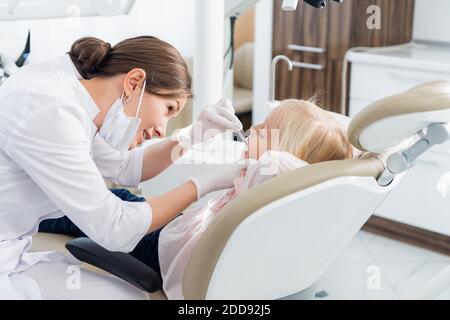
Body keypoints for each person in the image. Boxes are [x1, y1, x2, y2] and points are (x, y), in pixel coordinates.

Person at [0, 36, 245, 299]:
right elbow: (113, 228)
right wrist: (202, 185)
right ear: (134, 82)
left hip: (12, 255)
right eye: (168, 109)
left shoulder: (77, 98)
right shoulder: (51, 109)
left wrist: (195, 135)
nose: (162, 129)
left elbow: (127, 167)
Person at [40, 99, 353, 299]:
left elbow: (286, 168)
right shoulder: (283, 199)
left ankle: (38, 211)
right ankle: (44, 201)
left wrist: (266, 156)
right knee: (119, 196)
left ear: (282, 153)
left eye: (263, 131)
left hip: (161, 252)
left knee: (93, 211)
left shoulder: (271, 180)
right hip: (180, 233)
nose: (251, 131)